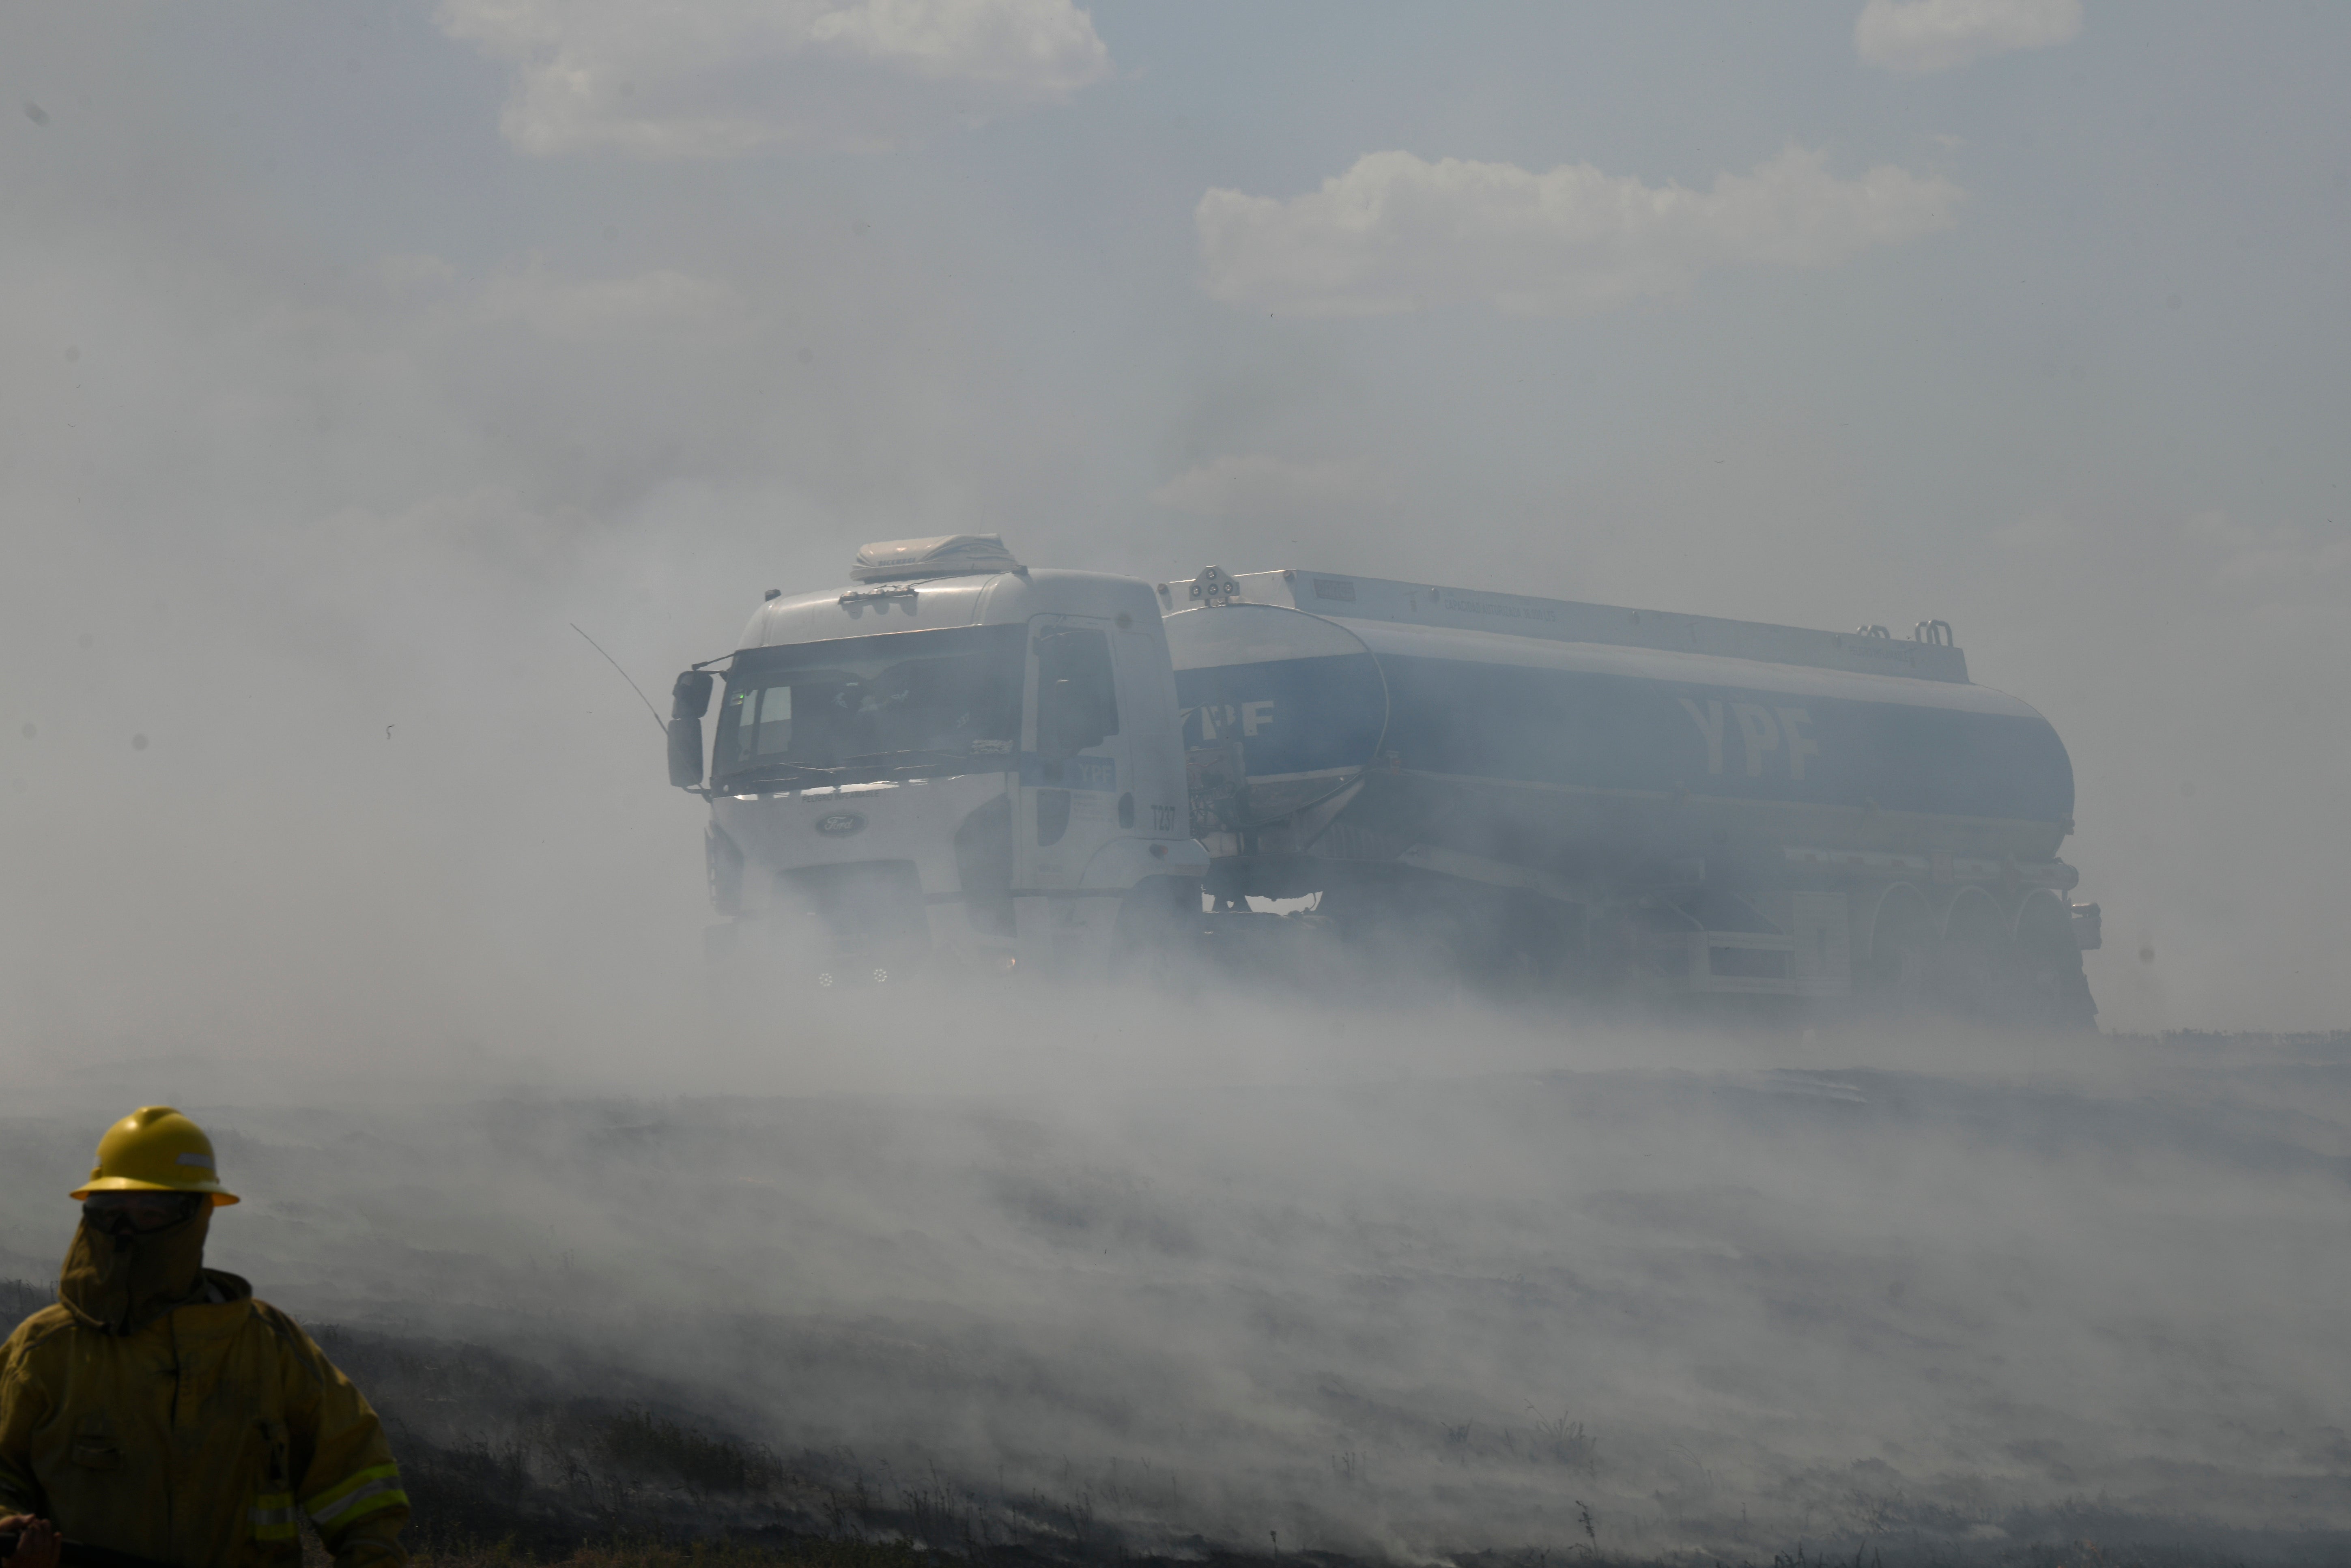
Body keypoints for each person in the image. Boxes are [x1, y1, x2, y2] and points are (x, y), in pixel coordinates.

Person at [0, 1107, 409, 1568]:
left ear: (196, 1219)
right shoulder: (45, 1350)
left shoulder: (269, 1347)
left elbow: (357, 1476)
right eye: (111, 1213)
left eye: (150, 1213)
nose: (126, 1233)